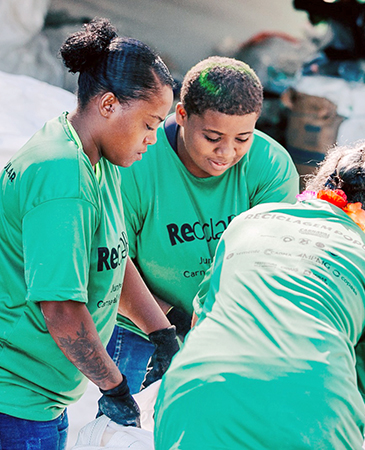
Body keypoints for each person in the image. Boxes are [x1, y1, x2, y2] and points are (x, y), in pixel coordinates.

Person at [0, 18, 175, 450]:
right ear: (109, 105)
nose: (154, 138)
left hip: (32, 395)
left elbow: (112, 257)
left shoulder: (95, 155)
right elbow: (60, 308)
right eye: (150, 123)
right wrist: (114, 388)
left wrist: (160, 332)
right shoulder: (63, 179)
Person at [154, 142, 365, 449]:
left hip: (192, 397)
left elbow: (199, 320)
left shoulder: (249, 221)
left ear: (314, 187)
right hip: (313, 420)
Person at [107, 56, 300, 393]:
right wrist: (167, 327)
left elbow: (270, 262)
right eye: (212, 137)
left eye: (243, 138)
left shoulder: (271, 166)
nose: (226, 152)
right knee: (128, 430)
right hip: (141, 322)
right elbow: (112, 263)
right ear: (182, 115)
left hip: (232, 321)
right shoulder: (135, 163)